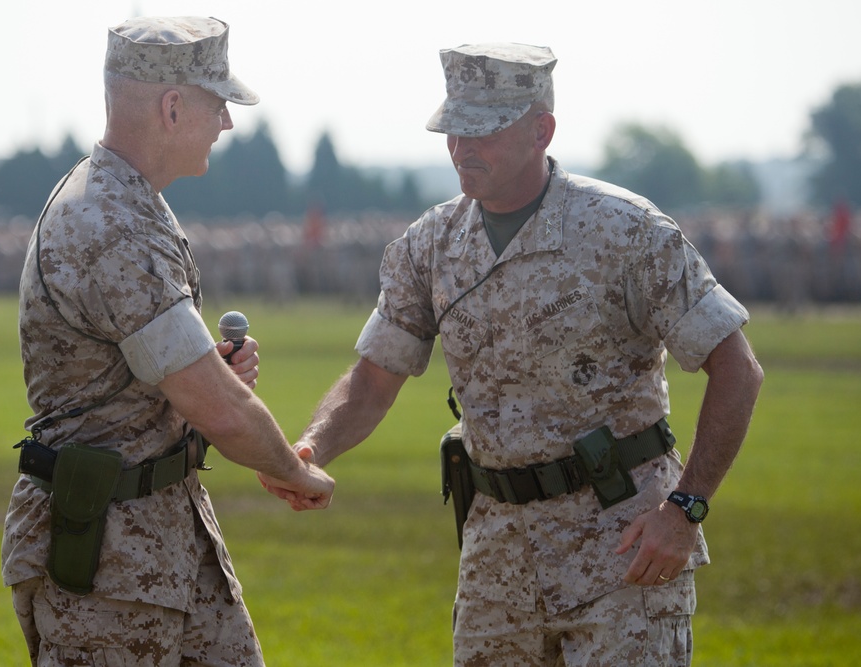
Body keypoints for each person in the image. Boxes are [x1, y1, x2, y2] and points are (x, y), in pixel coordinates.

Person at [260, 43, 763, 665]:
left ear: (541, 130)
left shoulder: (626, 232)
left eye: (485, 131)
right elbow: (373, 378)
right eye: (453, 129)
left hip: (622, 544)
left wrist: (685, 510)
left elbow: (737, 371)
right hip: (498, 555)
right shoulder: (432, 244)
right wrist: (309, 449)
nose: (462, 147)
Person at [1, 16, 334, 666]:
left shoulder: (130, 203)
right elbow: (217, 406)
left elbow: (176, 384)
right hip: (107, 564)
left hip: (160, 538)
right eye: (218, 105)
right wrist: (292, 470)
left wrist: (212, 374)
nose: (228, 124)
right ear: (174, 107)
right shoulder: (111, 222)